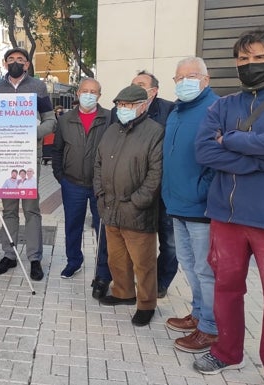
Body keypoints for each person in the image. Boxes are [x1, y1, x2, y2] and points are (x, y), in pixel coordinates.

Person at [194, 27, 264, 381]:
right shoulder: (223, 105)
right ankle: (226, 352)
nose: (249, 64)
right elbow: (205, 151)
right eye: (243, 59)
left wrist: (235, 140)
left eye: (257, 58)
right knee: (225, 289)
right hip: (227, 215)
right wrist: (259, 159)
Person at [93, 85, 163, 327]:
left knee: (143, 263)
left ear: (143, 105)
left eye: (129, 105)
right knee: (117, 258)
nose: (123, 109)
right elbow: (98, 164)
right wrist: (100, 194)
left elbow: (156, 175)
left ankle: (146, 304)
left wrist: (137, 202)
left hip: (137, 211)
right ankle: (123, 292)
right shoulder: (112, 130)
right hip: (110, 208)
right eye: (120, 105)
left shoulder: (155, 132)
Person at [162, 57, 219, 353]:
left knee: (205, 269)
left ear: (205, 80)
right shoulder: (177, 110)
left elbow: (219, 159)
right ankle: (198, 313)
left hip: (200, 208)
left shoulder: (215, 109)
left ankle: (210, 328)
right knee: (189, 265)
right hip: (176, 203)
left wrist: (201, 191)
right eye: (179, 77)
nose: (184, 82)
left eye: (191, 76)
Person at [0, 47, 56, 281]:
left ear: (27, 65)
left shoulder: (38, 87)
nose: (16, 63)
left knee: (31, 208)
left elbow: (50, 120)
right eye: (11, 60)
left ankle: (35, 257)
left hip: (29, 155)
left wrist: (33, 132)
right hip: (5, 156)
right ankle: (9, 255)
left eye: (20, 60)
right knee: (9, 209)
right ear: (5, 63)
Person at [52, 78, 110, 285]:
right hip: (72, 183)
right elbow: (57, 150)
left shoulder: (109, 118)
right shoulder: (66, 120)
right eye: (85, 90)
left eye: (93, 91)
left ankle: (103, 269)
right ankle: (73, 261)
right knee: (72, 225)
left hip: (100, 186)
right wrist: (61, 176)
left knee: (102, 227)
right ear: (77, 93)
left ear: (99, 96)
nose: (88, 95)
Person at [130, 71, 177, 299]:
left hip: (166, 188)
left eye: (141, 85)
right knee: (140, 237)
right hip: (138, 188)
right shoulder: (128, 110)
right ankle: (141, 276)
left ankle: (161, 281)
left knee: (169, 242)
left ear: (154, 91)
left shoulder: (170, 111)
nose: (135, 88)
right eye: (133, 84)